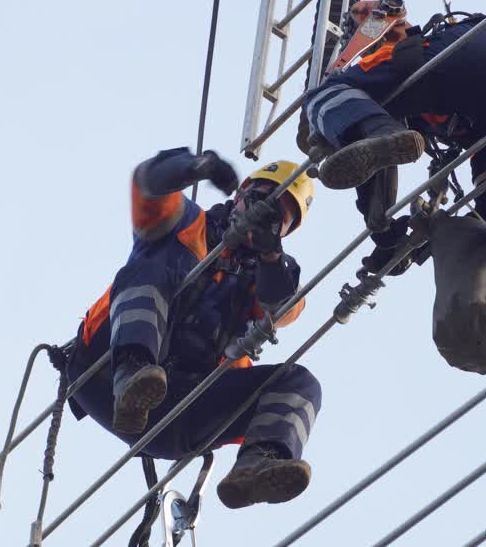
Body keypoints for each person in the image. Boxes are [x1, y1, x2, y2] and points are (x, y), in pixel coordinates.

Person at [65, 147, 321, 509]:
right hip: (102, 376)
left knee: (300, 382)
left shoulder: (277, 273)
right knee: (151, 271)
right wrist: (193, 167)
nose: (267, 213)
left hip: (178, 415)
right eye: (262, 198)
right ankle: (133, 372)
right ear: (241, 196)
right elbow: (148, 183)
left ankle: (257, 466)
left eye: (279, 218)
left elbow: (283, 305)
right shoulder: (186, 223)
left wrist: (269, 254)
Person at [303, 0, 486, 303]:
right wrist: (400, 240)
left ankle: (381, 129)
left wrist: (381, 227)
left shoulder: (388, 48)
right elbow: (478, 191)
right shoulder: (468, 127)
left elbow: (387, 16)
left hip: (470, 54)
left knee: (325, 96)